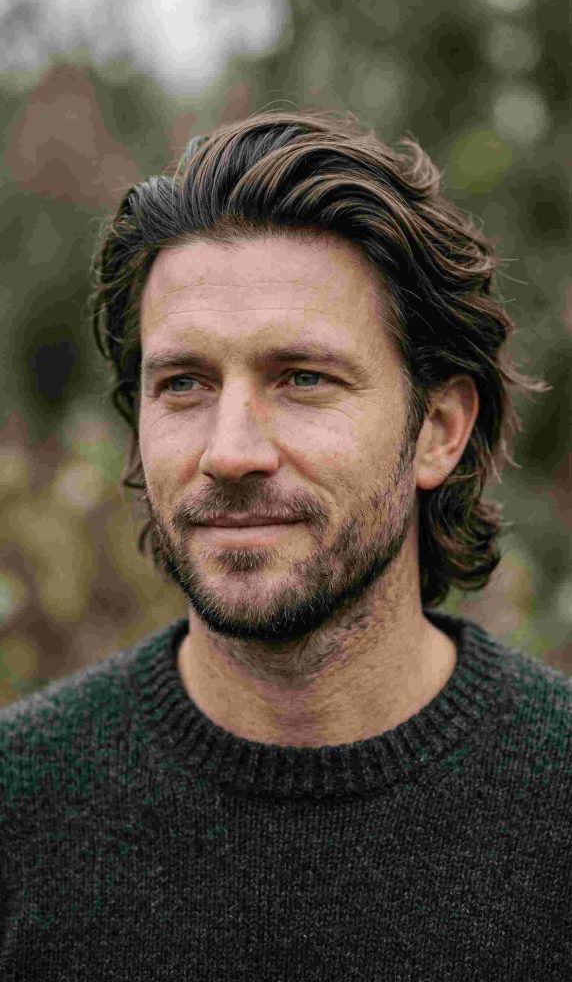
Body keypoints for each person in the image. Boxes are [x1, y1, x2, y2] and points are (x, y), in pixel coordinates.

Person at [1, 109, 570, 980]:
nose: (230, 452)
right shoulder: (20, 807)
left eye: (303, 378)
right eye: (183, 384)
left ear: (439, 429)